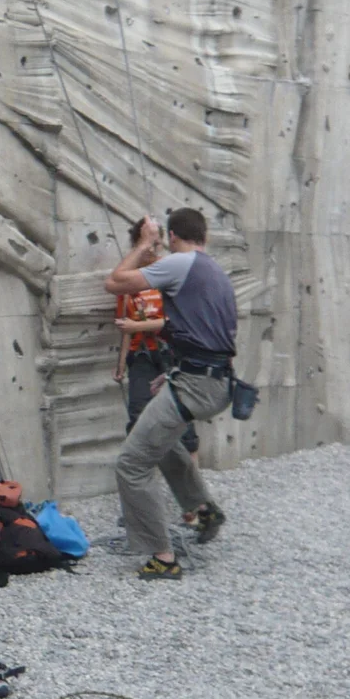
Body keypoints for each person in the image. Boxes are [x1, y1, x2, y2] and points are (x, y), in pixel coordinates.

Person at [102, 209, 238, 580]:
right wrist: (176, 374)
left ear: (174, 237)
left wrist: (145, 243)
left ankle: (162, 557)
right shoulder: (211, 269)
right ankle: (204, 509)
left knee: (131, 463)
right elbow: (196, 330)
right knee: (154, 438)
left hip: (197, 383)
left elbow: (114, 282)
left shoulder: (181, 264)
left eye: (164, 241)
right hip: (211, 380)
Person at [113, 221, 199, 459]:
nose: (152, 249)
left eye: (156, 243)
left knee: (183, 417)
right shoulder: (129, 280)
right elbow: (125, 325)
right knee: (138, 416)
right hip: (140, 354)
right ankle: (142, 478)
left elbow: (174, 321)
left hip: (171, 352)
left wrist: (137, 325)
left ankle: (195, 489)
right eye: (147, 243)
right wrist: (120, 365)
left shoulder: (170, 272)